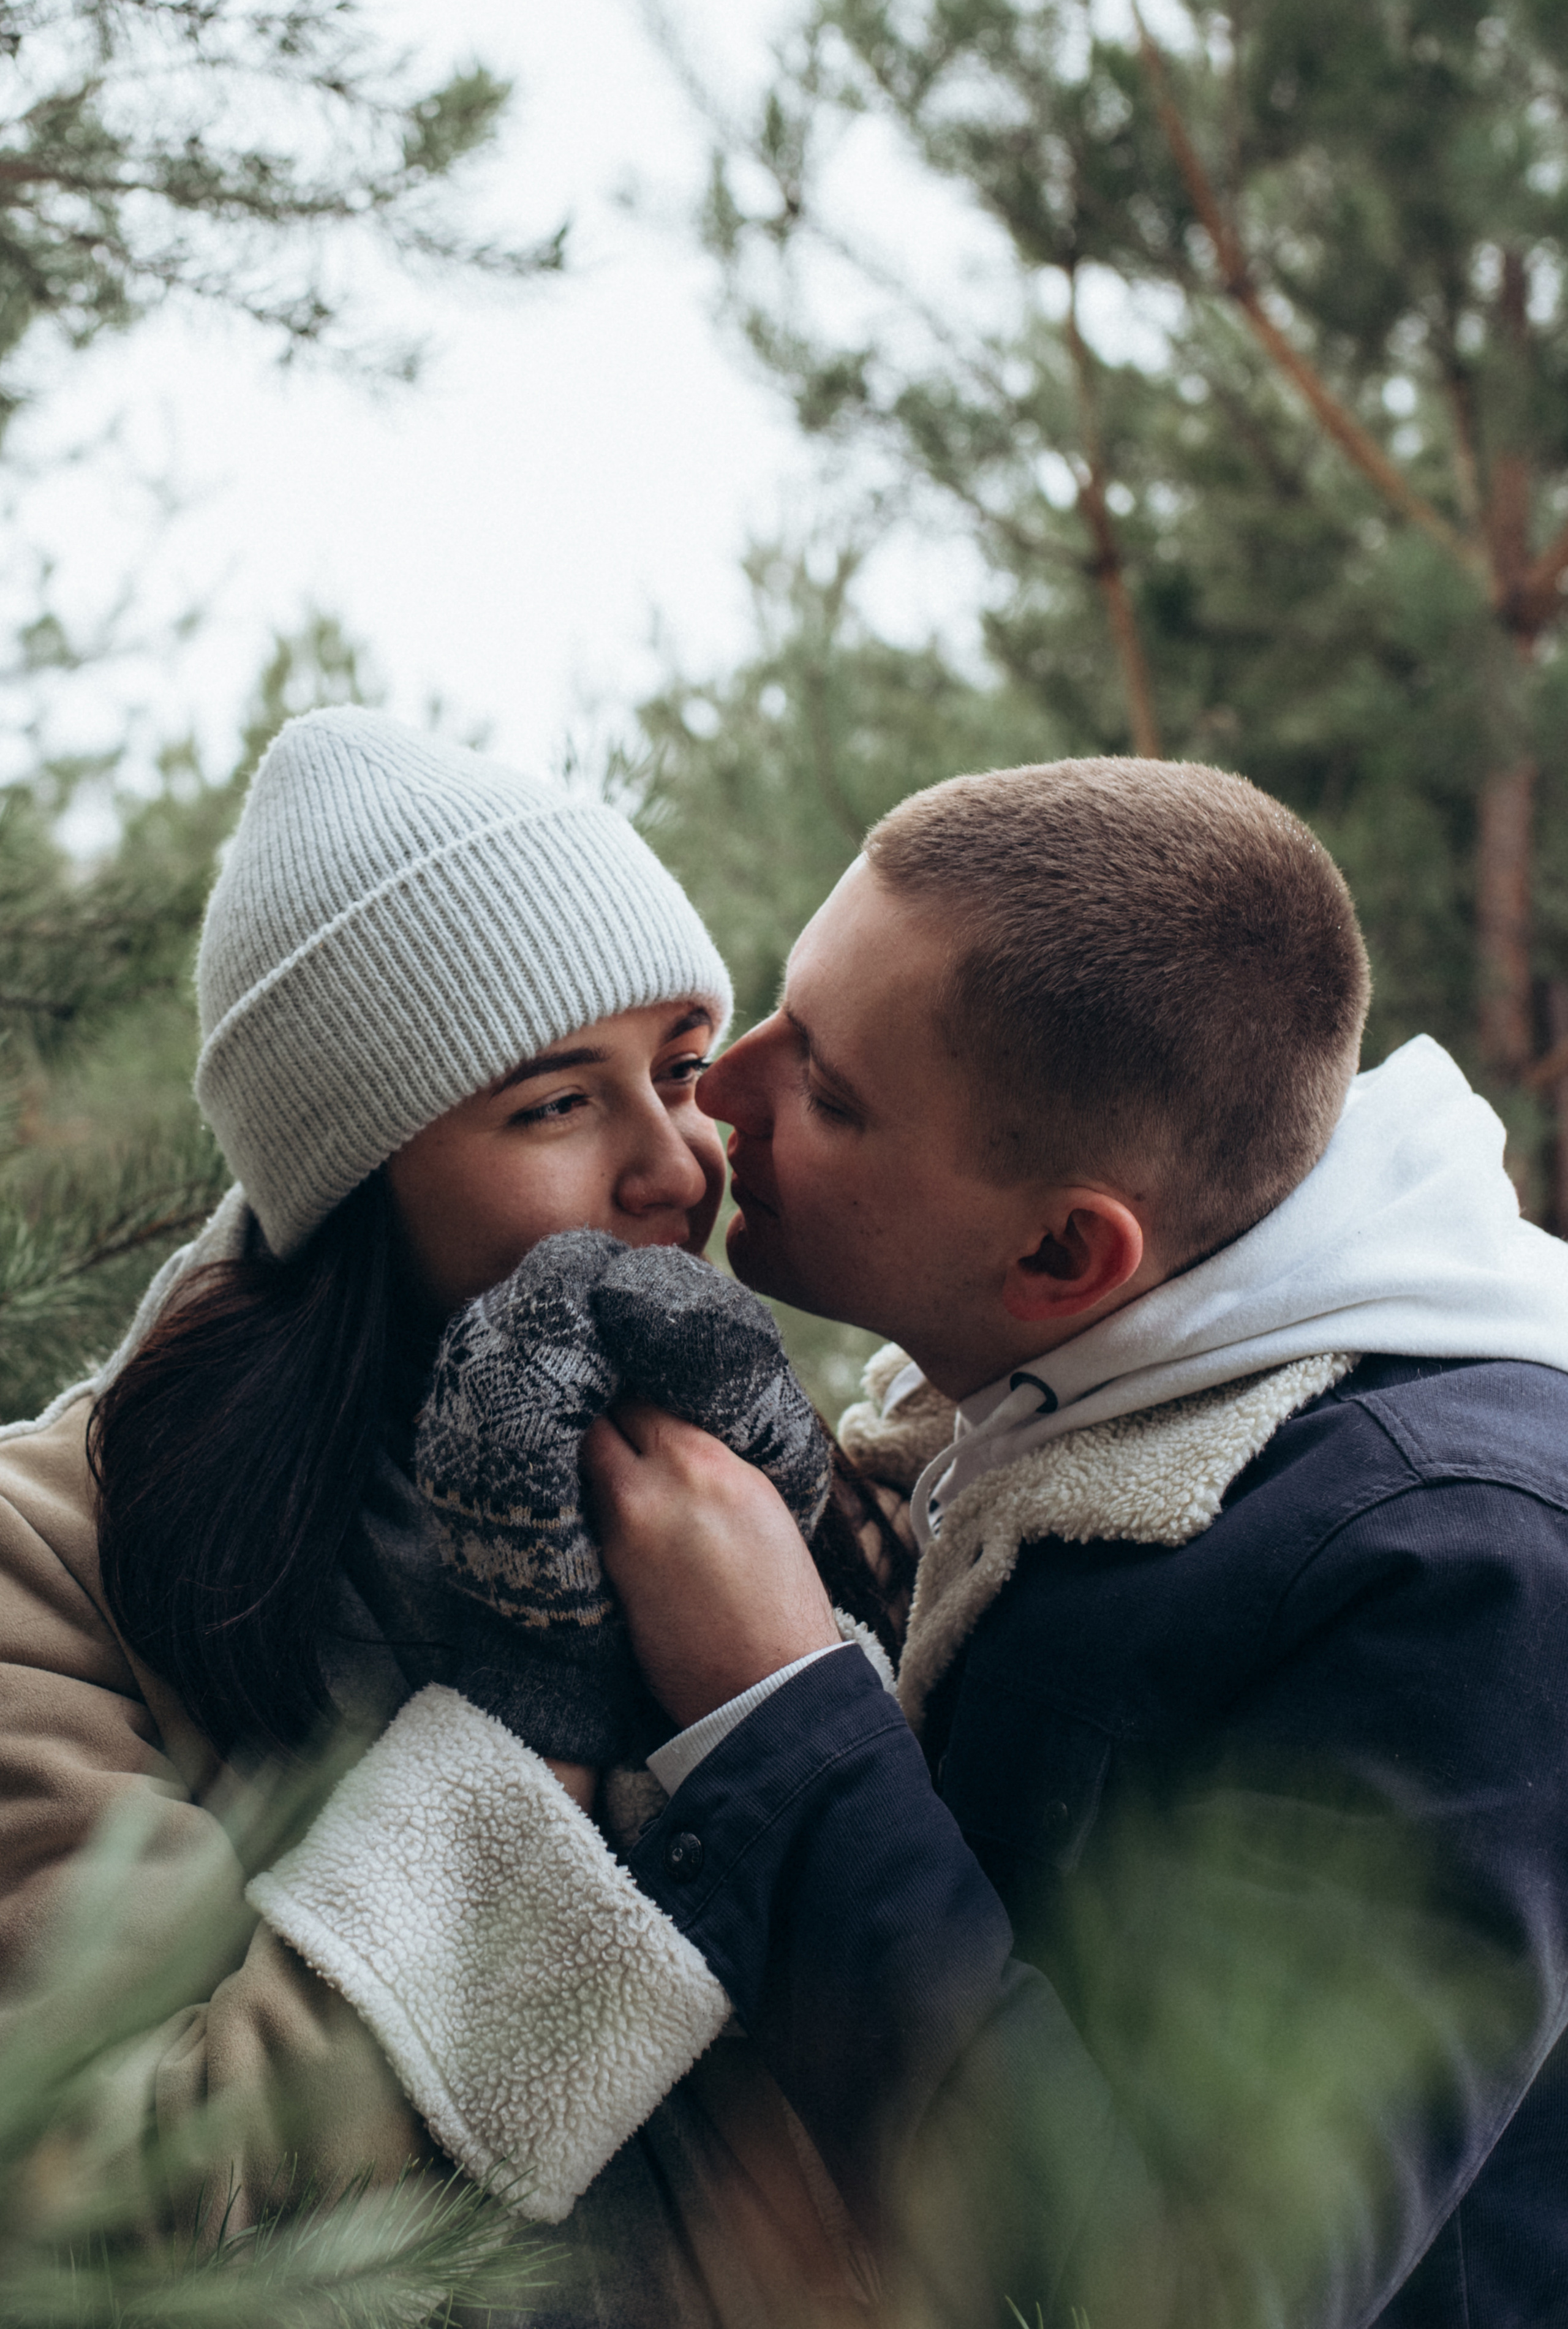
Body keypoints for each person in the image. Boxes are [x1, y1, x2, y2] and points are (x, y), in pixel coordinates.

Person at [563, 759, 1568, 2328]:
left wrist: (772, 1708)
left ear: (1059, 1250)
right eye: (777, 1011)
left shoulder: (1455, 1575)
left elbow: (1194, 2282)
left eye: (825, 1090)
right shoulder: (1058, 1393)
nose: (724, 1090)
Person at [0, 705, 876, 2325]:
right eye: (557, 1102)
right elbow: (106, 2193)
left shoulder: (740, 1471)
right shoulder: (52, 1554)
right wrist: (537, 1715)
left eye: (682, 1070)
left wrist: (811, 1553)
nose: (676, 1161)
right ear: (356, 1174)